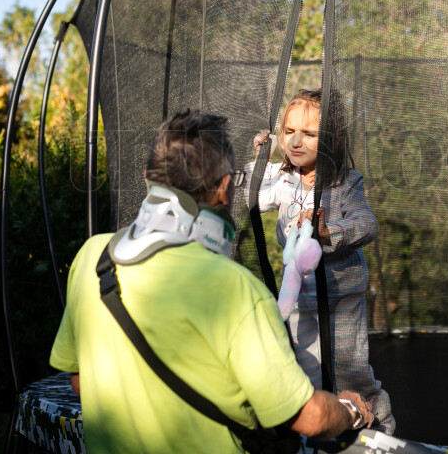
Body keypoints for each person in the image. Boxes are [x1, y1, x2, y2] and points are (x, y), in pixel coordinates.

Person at [50, 110, 373, 453]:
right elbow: (309, 419)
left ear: (148, 178)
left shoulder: (93, 257)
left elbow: (81, 381)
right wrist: (349, 409)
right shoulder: (234, 289)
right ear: (223, 189)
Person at [252, 88, 395, 434]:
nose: (296, 141)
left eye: (309, 134)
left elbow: (366, 224)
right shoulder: (281, 178)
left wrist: (329, 232)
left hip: (340, 296)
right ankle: (325, 429)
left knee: (350, 370)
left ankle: (381, 427)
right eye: (289, 132)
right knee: (306, 368)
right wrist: (260, 160)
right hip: (299, 297)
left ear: (331, 139)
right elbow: (248, 196)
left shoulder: (346, 182)